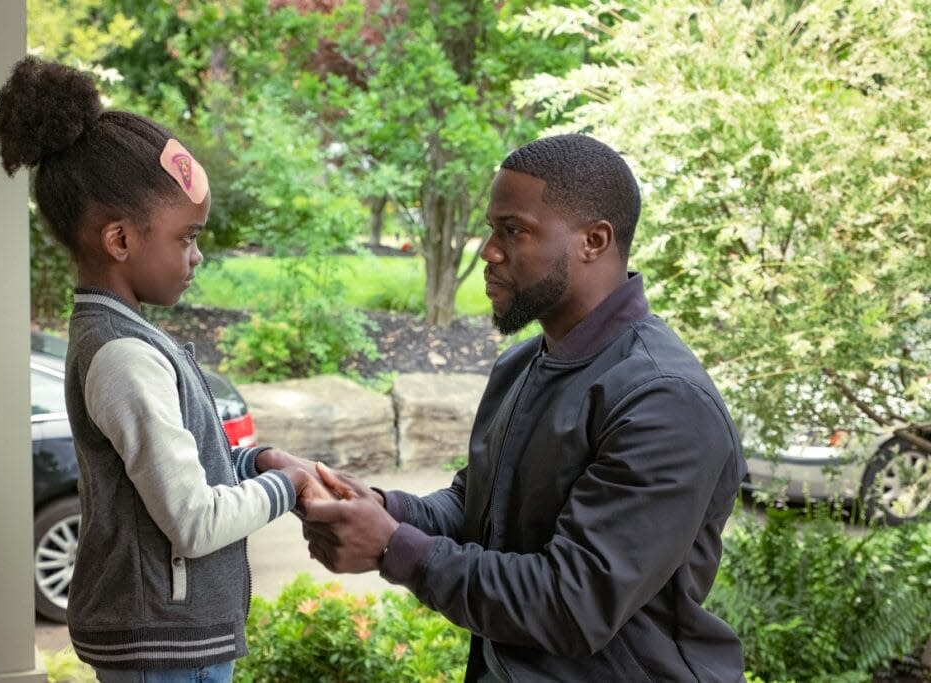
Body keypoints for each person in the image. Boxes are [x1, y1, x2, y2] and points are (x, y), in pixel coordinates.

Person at [302, 134, 747, 682]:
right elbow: (478, 505)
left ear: (594, 240)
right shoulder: (523, 365)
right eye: (492, 229)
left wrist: (395, 547)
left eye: (513, 231)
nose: (489, 250)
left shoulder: (663, 401)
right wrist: (376, 504)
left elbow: (573, 604)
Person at [0, 56, 329, 681]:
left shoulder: (127, 339)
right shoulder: (123, 358)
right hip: (165, 652)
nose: (196, 256)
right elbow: (195, 523)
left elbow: (169, 483)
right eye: (186, 238)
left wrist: (255, 465)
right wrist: (290, 488)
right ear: (120, 240)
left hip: (165, 641)